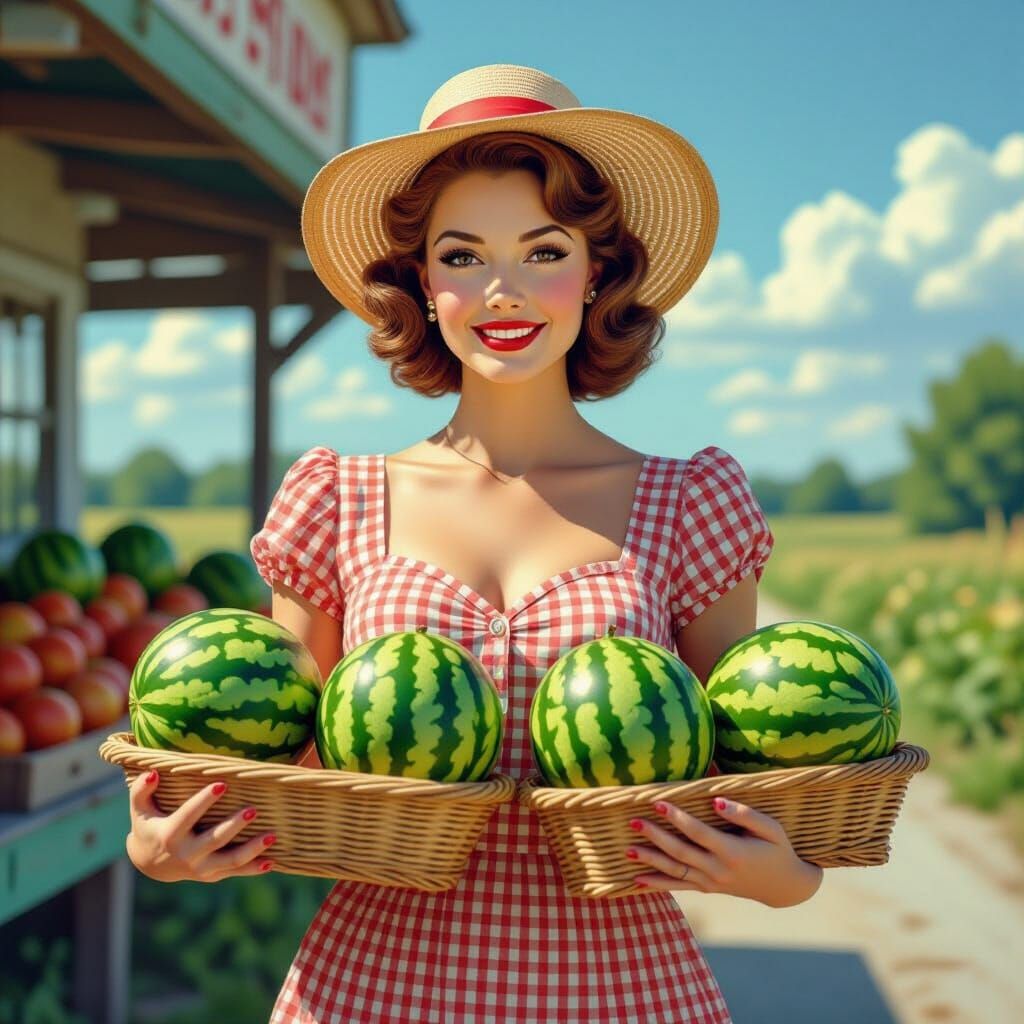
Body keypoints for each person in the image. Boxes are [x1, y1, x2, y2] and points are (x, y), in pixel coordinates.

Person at [125, 64, 824, 1023]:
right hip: (370, 990)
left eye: (544, 251)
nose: (503, 291)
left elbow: (763, 797)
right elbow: (274, 774)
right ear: (422, 281)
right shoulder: (339, 499)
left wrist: (785, 881)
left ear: (598, 273)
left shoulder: (687, 501)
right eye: (462, 256)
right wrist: (162, 851)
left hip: (619, 992)